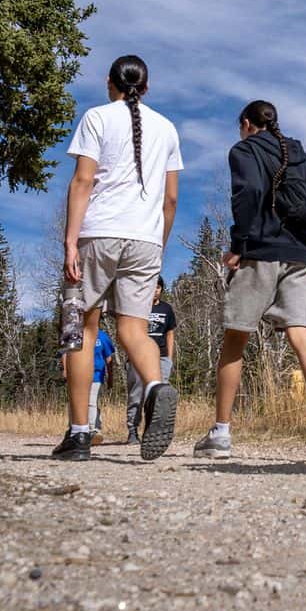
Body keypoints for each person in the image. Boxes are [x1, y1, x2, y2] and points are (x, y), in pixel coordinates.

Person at [193, 101, 306, 462]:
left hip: (259, 252)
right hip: (299, 256)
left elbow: (248, 194)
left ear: (246, 124)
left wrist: (238, 246)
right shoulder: (299, 155)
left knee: (235, 337)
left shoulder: (243, 150)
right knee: (300, 334)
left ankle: (221, 433)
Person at [53, 54, 184, 462]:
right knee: (134, 330)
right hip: (145, 241)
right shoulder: (167, 128)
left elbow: (83, 180)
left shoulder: (96, 117)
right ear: (146, 87)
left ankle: (79, 435)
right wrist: (158, 246)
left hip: (99, 234)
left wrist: (70, 241)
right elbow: (172, 198)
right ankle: (154, 386)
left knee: (81, 331)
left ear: (110, 82)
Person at [125, 279, 176, 445]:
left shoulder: (166, 309)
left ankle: (153, 431)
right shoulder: (137, 307)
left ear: (161, 289)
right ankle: (132, 430)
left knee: (159, 395)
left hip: (161, 356)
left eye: (158, 287)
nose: (155, 290)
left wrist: (169, 358)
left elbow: (170, 334)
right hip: (139, 355)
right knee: (136, 394)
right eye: (152, 286)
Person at [89, 321, 116, 434]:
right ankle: (77, 428)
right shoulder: (79, 334)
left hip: (97, 374)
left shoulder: (102, 336)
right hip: (81, 374)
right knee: (83, 402)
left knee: (91, 401)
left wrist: (110, 377)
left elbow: (109, 359)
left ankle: (92, 429)